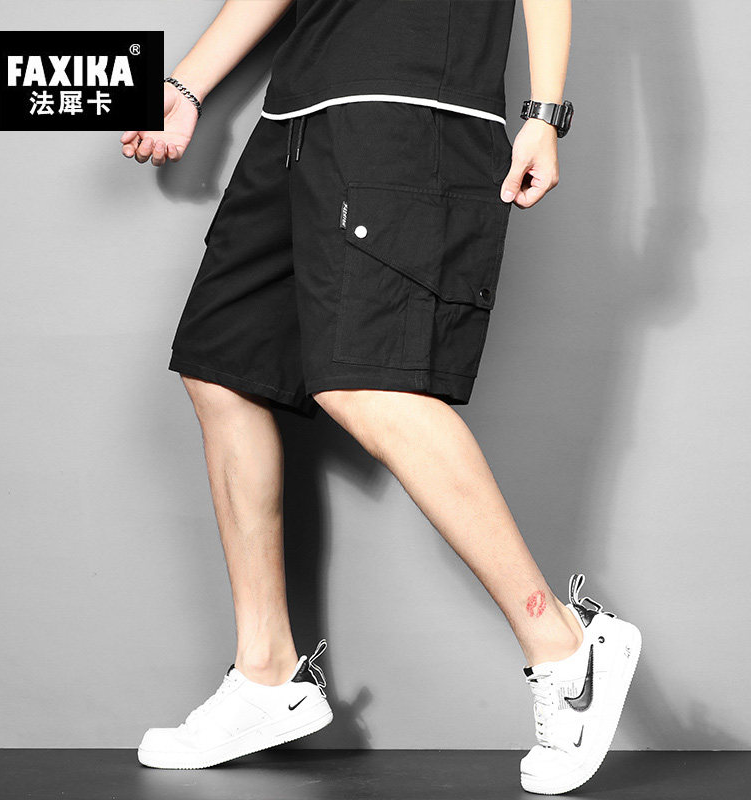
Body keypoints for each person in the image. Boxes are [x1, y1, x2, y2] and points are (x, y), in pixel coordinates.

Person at [120, 1, 641, 793]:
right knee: (220, 364)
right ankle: (266, 676)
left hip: (412, 111)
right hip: (296, 115)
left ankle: (568, 652)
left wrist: (543, 114)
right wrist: (187, 86)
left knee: (363, 383)